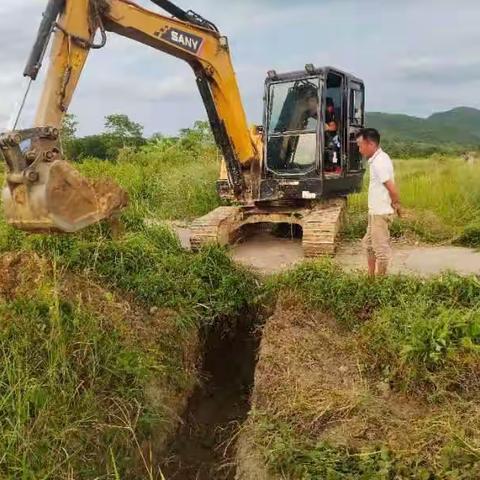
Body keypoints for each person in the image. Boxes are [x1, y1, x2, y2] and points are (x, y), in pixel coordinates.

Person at [356, 128, 401, 276]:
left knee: (380, 251)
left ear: (370, 144)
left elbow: (392, 188)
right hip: (374, 212)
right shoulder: (378, 158)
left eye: (360, 145)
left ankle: (380, 283)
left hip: (380, 214)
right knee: (368, 245)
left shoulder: (379, 162)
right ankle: (370, 277)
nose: (359, 149)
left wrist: (396, 204)